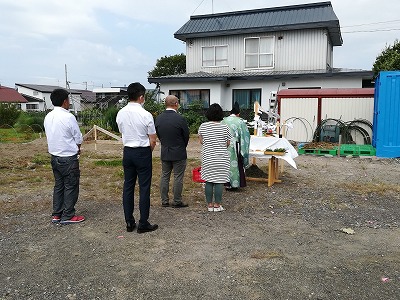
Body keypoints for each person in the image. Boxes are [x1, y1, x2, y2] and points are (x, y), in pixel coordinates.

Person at [116, 82, 158, 233]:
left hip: (128, 151)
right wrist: (148, 151)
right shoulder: (146, 115)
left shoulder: (120, 113)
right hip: (142, 151)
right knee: (144, 187)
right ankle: (143, 222)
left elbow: (122, 131)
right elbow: (152, 139)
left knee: (128, 186)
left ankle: (129, 221)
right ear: (141, 97)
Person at [44, 88, 85, 224]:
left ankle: (57, 214)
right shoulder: (68, 117)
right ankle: (68, 215)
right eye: (68, 100)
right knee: (71, 186)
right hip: (68, 157)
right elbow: (77, 137)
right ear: (64, 101)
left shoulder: (48, 116)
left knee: (59, 185)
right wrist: (78, 148)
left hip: (54, 156)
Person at [155, 95, 190, 208]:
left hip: (165, 150)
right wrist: (182, 146)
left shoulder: (159, 118)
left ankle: (164, 200)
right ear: (176, 104)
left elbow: (158, 134)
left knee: (165, 176)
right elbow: (186, 136)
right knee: (178, 177)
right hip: (179, 151)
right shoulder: (180, 119)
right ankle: (177, 200)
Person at [198, 103, 232, 212]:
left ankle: (209, 205)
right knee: (219, 181)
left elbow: (201, 141)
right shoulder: (225, 127)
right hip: (221, 157)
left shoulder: (203, 126)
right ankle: (217, 205)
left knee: (208, 180)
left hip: (208, 157)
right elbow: (227, 143)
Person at [221, 102, 251, 190]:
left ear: (230, 113)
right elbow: (245, 136)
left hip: (223, 145)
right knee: (235, 164)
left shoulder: (223, 120)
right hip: (235, 146)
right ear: (238, 114)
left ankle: (225, 183)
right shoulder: (240, 121)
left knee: (225, 164)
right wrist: (244, 150)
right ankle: (234, 184)